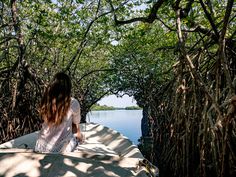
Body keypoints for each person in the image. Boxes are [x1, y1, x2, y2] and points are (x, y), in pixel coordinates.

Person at [34, 72, 83, 153]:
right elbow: (75, 123)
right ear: (68, 88)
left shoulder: (46, 101)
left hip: (40, 146)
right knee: (78, 137)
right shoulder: (73, 102)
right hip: (59, 149)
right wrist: (79, 135)